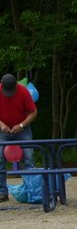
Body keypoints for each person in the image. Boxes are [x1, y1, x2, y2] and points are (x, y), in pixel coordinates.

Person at [0, 73, 38, 202]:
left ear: (16, 85)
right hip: (3, 131)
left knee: (29, 158)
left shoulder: (23, 92)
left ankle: (31, 191)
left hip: (23, 130)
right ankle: (2, 192)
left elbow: (33, 112)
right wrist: (1, 124)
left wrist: (21, 125)